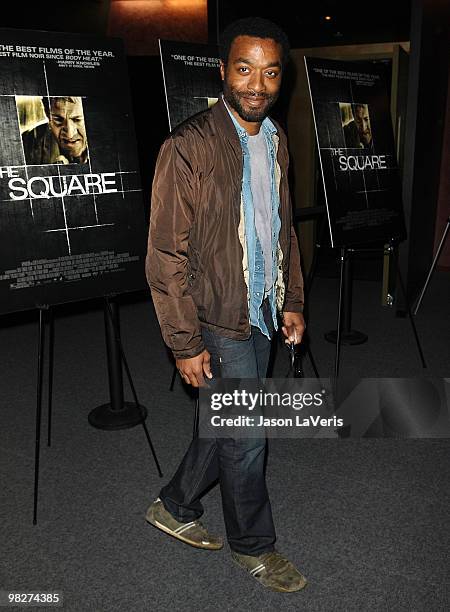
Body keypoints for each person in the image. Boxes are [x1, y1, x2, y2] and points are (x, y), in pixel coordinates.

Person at [145, 17, 307, 593]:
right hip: (216, 318)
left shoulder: (278, 140)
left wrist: (291, 299)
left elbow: (281, 229)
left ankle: (174, 504)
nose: (256, 84)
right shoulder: (187, 147)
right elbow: (165, 255)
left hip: (262, 308)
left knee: (228, 423)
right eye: (244, 69)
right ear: (223, 72)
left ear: (280, 79)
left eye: (269, 72)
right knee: (248, 435)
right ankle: (254, 547)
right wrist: (185, 343)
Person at [22, 96, 88, 165]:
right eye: (58, 120)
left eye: (77, 120)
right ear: (47, 114)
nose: (70, 134)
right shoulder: (25, 145)